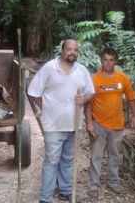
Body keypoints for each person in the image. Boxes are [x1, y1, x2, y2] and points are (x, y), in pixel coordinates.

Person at [28, 39, 95, 203]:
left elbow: (91, 92)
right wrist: (47, 108)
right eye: (69, 49)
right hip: (54, 125)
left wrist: (84, 99)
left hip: (74, 125)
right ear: (62, 50)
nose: (72, 52)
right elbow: (33, 92)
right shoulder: (50, 68)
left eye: (75, 50)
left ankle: (65, 190)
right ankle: (45, 197)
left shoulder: (81, 70)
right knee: (51, 161)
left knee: (68, 159)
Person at [85, 47, 135, 198]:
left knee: (114, 155)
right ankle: (93, 185)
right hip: (98, 124)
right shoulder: (94, 79)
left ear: (115, 61)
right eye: (105, 60)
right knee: (96, 155)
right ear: (101, 60)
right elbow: (88, 103)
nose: (108, 63)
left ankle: (113, 181)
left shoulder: (122, 78)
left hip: (117, 125)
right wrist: (89, 122)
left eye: (111, 60)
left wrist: (134, 116)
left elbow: (131, 98)